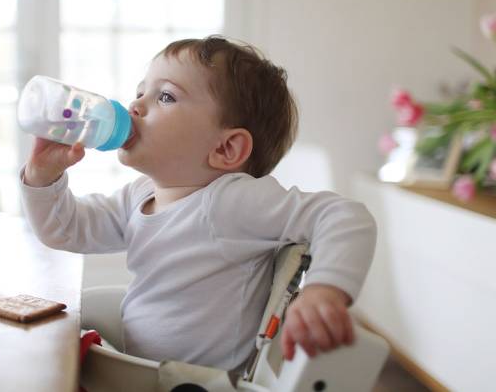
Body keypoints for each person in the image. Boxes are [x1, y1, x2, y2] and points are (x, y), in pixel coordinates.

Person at [20, 36, 376, 371]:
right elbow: (67, 229)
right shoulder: (140, 195)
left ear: (225, 149)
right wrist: (43, 177)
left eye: (166, 97)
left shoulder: (230, 200)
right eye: (141, 91)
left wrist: (325, 290)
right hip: (143, 366)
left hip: (189, 383)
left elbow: (344, 215)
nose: (135, 106)